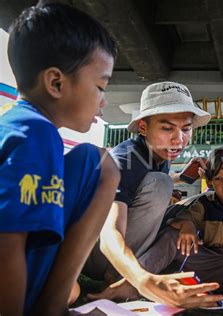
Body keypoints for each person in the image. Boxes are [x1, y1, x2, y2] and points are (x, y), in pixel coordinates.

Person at [0, 3, 121, 315]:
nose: (103, 100)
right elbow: (6, 245)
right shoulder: (36, 134)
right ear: (55, 83)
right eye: (100, 86)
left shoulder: (21, 126)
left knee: (98, 162)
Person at [87, 145, 223, 301]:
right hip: (205, 269)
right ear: (209, 182)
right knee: (173, 235)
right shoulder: (204, 203)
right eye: (218, 178)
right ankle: (130, 284)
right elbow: (184, 217)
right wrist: (187, 225)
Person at [84, 82, 223, 308]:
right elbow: (109, 236)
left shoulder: (158, 155)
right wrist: (144, 281)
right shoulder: (127, 160)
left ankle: (128, 280)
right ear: (143, 127)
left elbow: (145, 180)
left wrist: (183, 178)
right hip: (95, 253)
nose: (179, 139)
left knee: (191, 210)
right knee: (161, 183)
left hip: (122, 245)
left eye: (186, 129)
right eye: (167, 128)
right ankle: (124, 276)